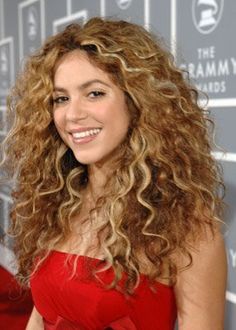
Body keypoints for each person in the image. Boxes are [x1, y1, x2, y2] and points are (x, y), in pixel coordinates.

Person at [1, 17, 227, 329]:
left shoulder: (186, 226)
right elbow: (40, 315)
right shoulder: (55, 205)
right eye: (61, 98)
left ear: (137, 102)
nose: (72, 115)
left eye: (94, 93)